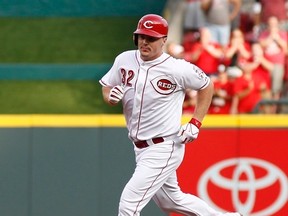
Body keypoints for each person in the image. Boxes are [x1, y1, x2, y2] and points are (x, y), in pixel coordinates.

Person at [99, 14, 242, 216]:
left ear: (163, 40)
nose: (144, 42)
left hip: (164, 146)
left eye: (151, 38)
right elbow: (107, 84)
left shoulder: (177, 68)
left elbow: (206, 86)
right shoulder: (124, 59)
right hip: (140, 147)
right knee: (171, 201)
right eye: (141, 37)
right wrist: (110, 97)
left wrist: (195, 122)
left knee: (129, 203)